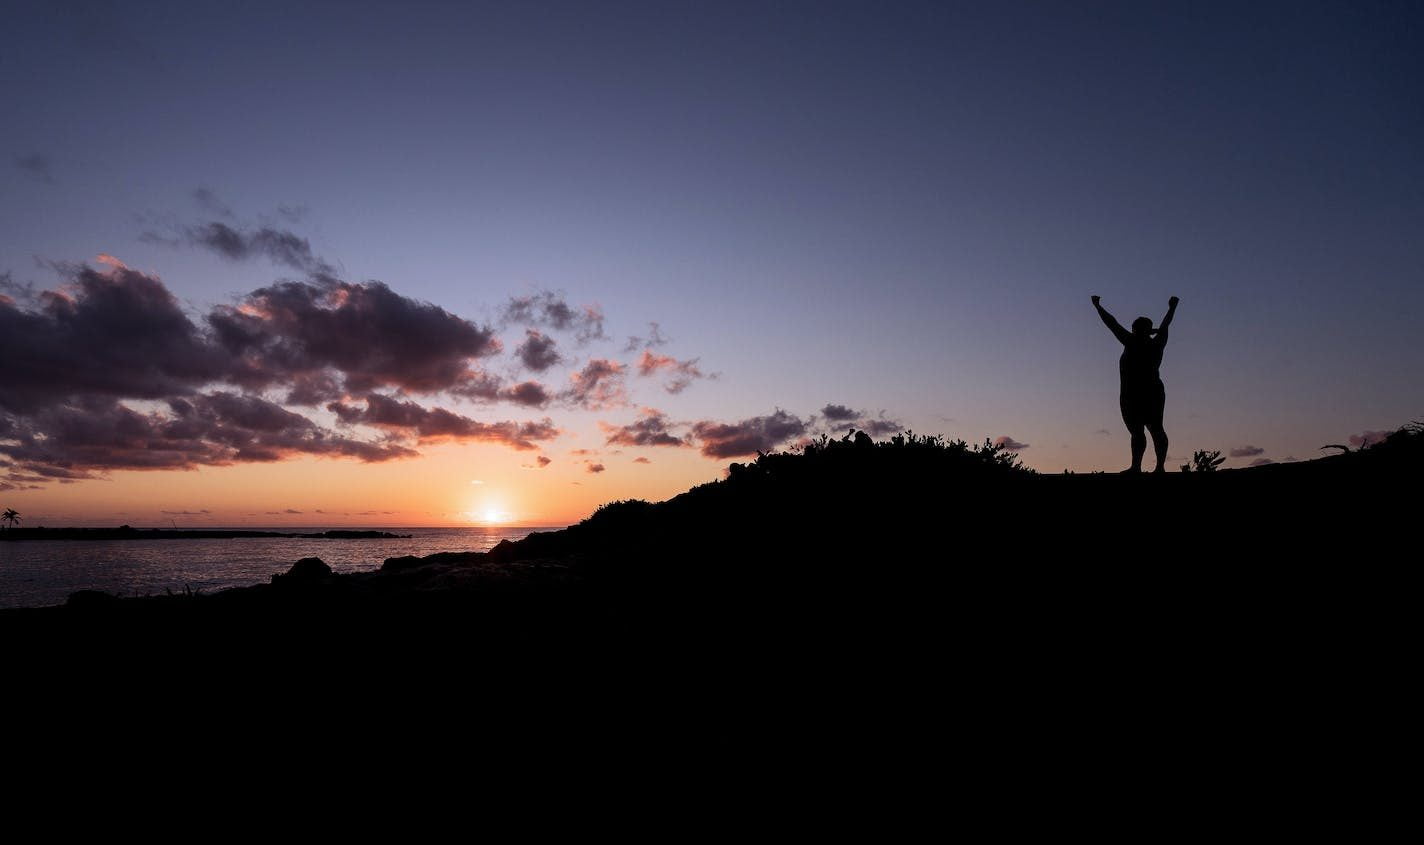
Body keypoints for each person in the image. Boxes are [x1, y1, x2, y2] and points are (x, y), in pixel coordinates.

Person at [1092, 295, 1179, 473]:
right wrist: (1171, 308)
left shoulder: (1132, 342)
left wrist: (1098, 307)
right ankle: (1146, 467)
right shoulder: (1156, 342)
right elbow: (1165, 324)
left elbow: (1112, 324)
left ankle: (1150, 467)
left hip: (1140, 393)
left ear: (1136, 330)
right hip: (1141, 392)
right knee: (1148, 430)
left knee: (1148, 430)